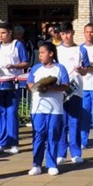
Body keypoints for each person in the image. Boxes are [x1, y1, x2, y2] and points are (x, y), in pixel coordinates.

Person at [26, 41, 69, 176]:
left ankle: (51, 164)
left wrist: (51, 88)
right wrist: (38, 87)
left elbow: (66, 85)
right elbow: (30, 83)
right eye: (40, 52)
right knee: (38, 135)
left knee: (53, 135)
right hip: (38, 108)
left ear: (51, 54)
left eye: (43, 52)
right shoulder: (36, 68)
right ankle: (36, 164)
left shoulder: (60, 68)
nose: (40, 55)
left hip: (55, 109)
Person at [0, 21, 27, 156]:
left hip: (13, 82)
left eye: (3, 33)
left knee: (11, 113)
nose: (1, 36)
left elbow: (25, 62)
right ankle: (0, 142)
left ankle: (13, 142)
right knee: (0, 113)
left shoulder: (18, 45)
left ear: (10, 33)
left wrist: (14, 66)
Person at [55, 24, 84, 165]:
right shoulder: (56, 50)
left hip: (76, 90)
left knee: (75, 122)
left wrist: (82, 70)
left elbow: (86, 69)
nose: (66, 36)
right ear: (60, 35)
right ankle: (61, 153)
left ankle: (76, 153)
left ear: (73, 33)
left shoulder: (80, 49)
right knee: (61, 123)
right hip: (60, 91)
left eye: (69, 33)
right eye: (63, 33)